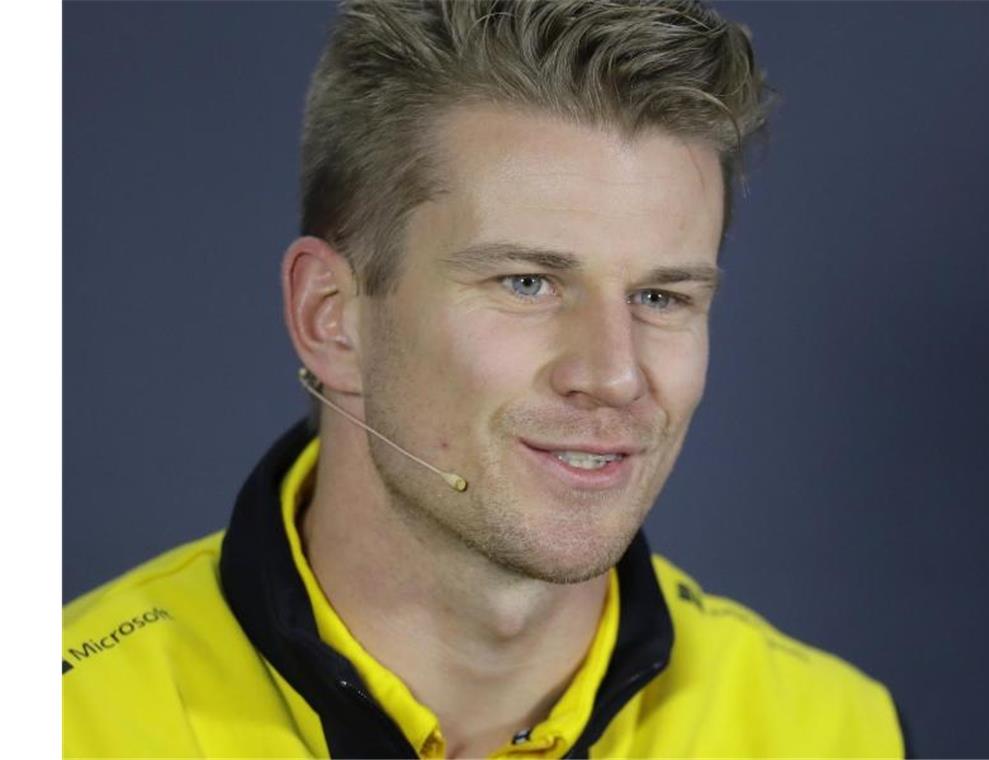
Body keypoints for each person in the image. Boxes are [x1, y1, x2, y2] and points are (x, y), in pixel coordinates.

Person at [63, 1, 904, 757]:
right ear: (332, 315)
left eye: (661, 295)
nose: (612, 374)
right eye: (526, 283)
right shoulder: (65, 718)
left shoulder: (823, 730)